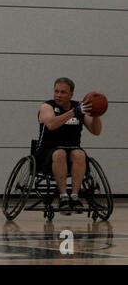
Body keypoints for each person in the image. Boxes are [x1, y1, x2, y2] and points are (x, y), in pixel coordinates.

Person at [35, 77, 102, 215]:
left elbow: (96, 131)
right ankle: (63, 197)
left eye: (63, 92)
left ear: (71, 94)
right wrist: (73, 112)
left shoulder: (79, 107)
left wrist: (96, 114)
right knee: (60, 153)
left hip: (72, 150)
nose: (58, 95)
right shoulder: (47, 107)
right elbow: (52, 124)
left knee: (79, 154)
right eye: (56, 91)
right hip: (47, 151)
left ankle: (75, 196)